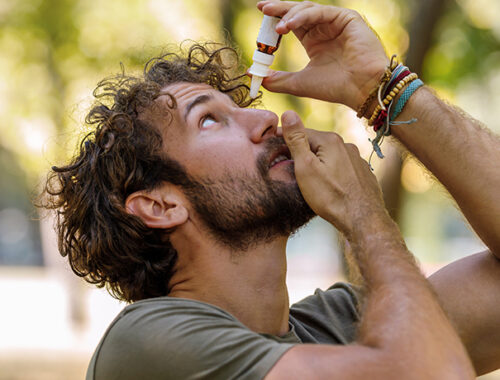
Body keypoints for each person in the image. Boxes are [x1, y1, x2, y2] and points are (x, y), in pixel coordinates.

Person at [39, 1, 500, 379]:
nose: (265, 120)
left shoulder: (337, 326)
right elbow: (434, 372)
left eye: (239, 109)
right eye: (210, 119)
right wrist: (363, 215)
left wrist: (382, 89)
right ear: (160, 205)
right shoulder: (150, 343)